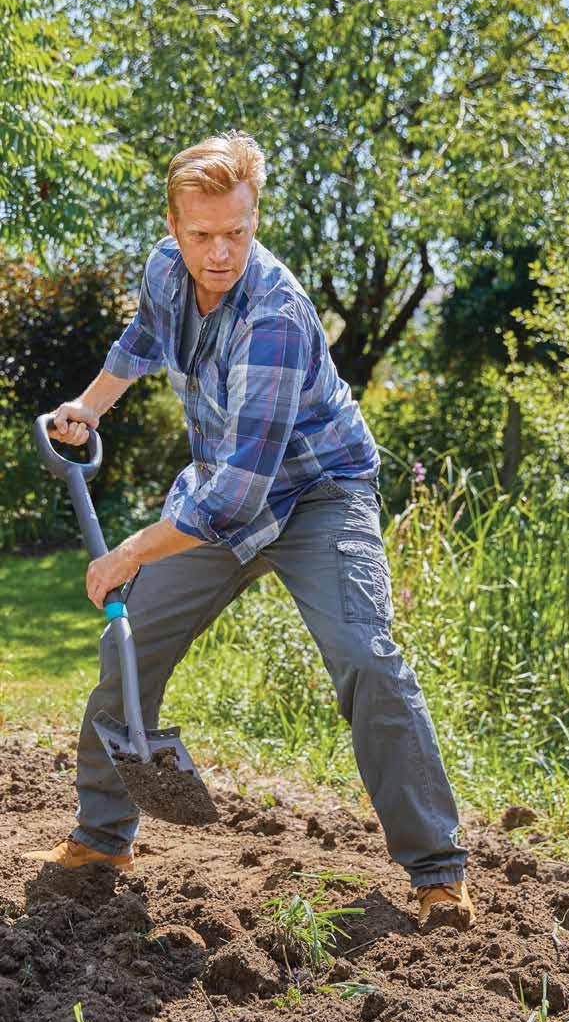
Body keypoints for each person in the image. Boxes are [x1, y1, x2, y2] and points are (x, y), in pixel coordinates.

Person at [22, 131, 475, 933]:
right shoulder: (167, 268)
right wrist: (90, 407)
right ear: (173, 224)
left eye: (238, 231)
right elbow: (141, 343)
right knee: (131, 644)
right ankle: (101, 839)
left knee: (366, 657)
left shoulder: (276, 313)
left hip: (316, 497)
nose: (221, 251)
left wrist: (131, 550)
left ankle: (435, 870)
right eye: (202, 235)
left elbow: (235, 501)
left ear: (255, 216)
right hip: (219, 489)